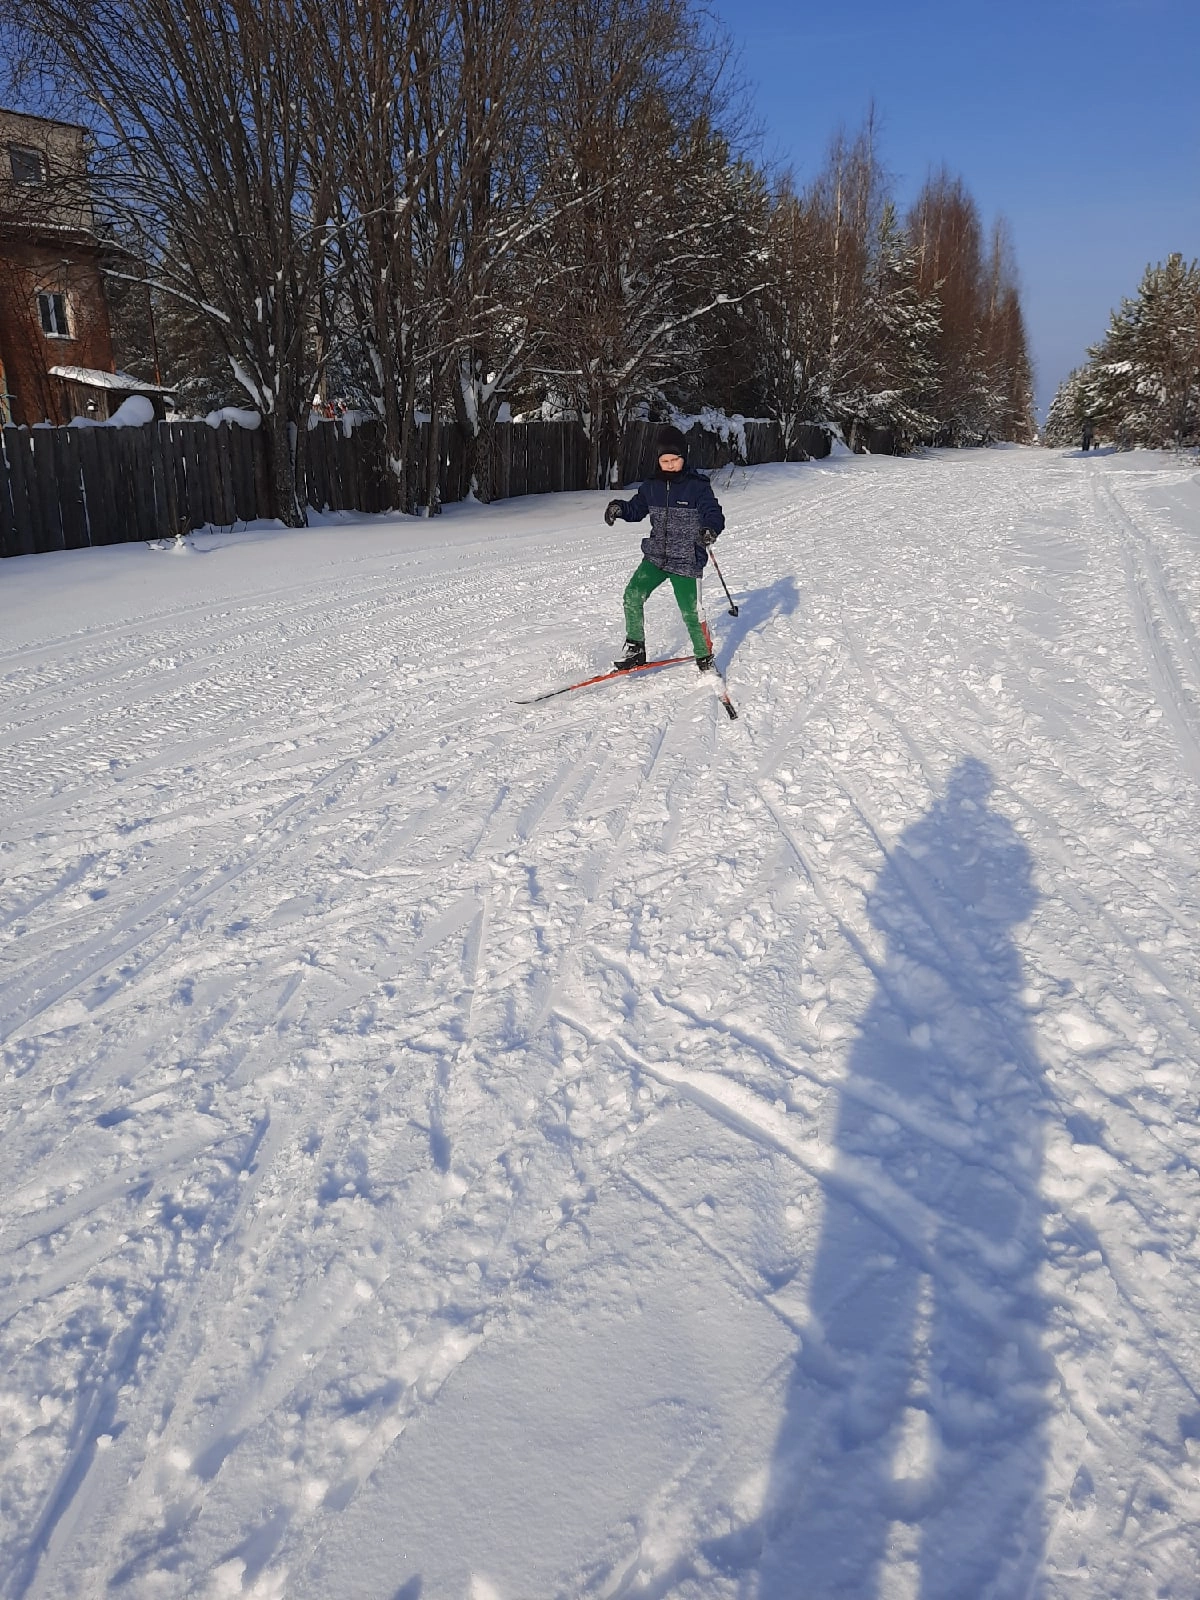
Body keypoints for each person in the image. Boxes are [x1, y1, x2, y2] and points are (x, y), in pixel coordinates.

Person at [604, 424, 725, 672]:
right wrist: (619, 508)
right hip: (656, 556)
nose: (669, 465)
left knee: (692, 612)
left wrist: (710, 528)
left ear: (683, 458)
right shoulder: (651, 486)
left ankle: (705, 658)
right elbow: (636, 509)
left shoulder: (697, 485)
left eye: (674, 459)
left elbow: (713, 512)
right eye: (664, 460)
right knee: (632, 596)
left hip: (686, 560)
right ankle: (636, 649)